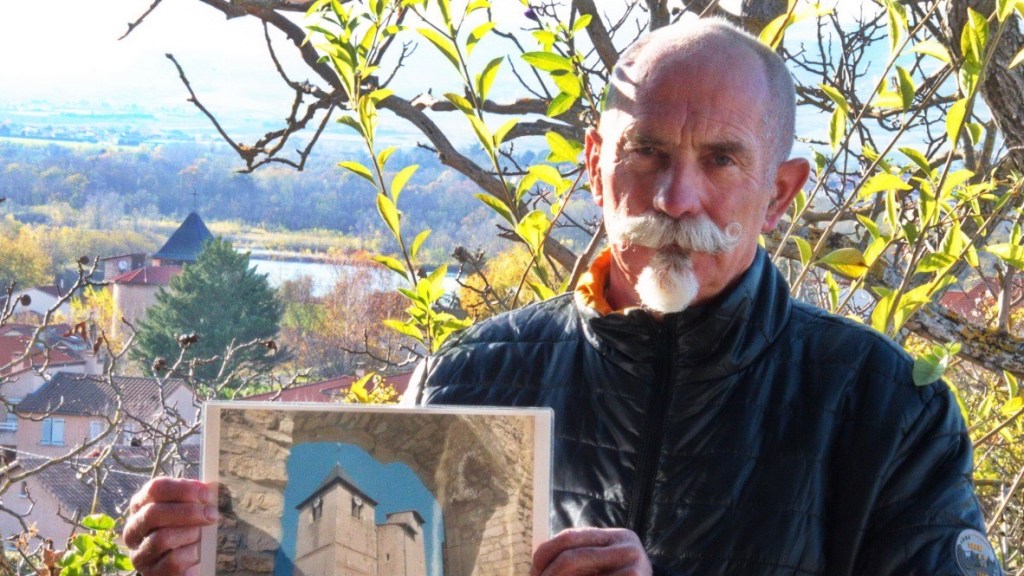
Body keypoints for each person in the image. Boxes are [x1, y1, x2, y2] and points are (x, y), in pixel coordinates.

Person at [123, 17, 997, 576]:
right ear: (593, 163)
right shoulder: (465, 381)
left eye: (722, 160)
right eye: (645, 152)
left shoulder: (887, 413)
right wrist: (207, 563)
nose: (673, 199)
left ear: (780, 191)